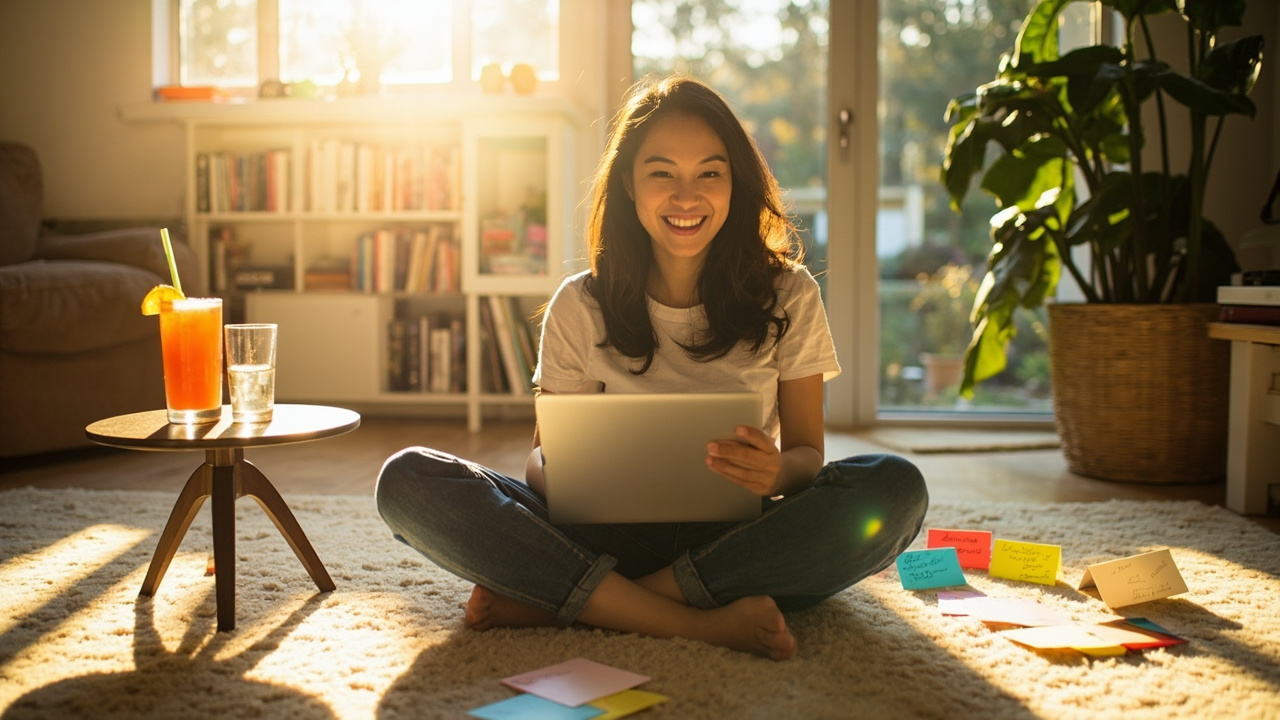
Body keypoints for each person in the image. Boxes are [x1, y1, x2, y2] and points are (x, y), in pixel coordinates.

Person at [376, 75, 928, 661]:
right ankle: (694, 619)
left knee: (894, 488)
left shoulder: (789, 294)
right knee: (409, 480)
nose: (686, 196)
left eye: (709, 173)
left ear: (735, 184)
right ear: (630, 187)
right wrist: (562, 474)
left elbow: (807, 458)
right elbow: (541, 459)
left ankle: (588, 603)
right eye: (662, 173)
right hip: (599, 533)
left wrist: (774, 475)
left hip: (733, 535)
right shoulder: (579, 302)